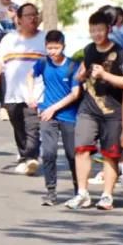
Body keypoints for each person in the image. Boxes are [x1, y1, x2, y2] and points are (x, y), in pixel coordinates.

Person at [65, 10, 123, 211]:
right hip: (89, 108)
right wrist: (82, 75)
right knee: (81, 148)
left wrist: (105, 75)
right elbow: (81, 72)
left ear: (108, 30)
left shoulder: (122, 54)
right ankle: (82, 193)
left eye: (100, 30)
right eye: (93, 30)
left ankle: (107, 195)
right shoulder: (89, 50)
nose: (97, 34)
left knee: (110, 153)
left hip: (114, 111)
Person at [0, 2, 46, 175]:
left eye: (35, 14)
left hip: (35, 91)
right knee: (18, 125)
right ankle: (25, 156)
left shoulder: (44, 38)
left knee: (32, 125)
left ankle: (32, 157)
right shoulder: (9, 39)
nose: (33, 18)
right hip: (12, 92)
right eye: (29, 15)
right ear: (19, 20)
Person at [32, 31, 81, 206]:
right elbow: (30, 75)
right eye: (49, 48)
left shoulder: (73, 66)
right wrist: (31, 96)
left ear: (64, 46)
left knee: (72, 154)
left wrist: (54, 108)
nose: (52, 51)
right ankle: (51, 191)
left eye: (56, 48)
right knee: (49, 153)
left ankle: (79, 189)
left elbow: (75, 94)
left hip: (68, 115)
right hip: (47, 115)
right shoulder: (43, 63)